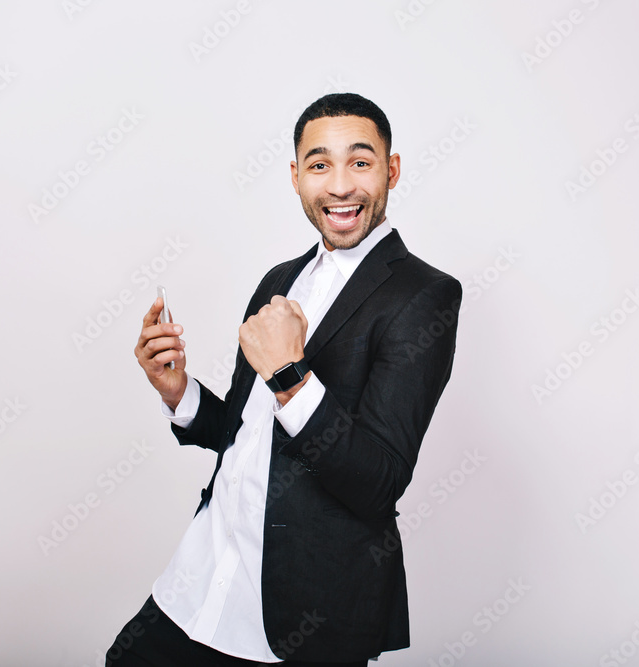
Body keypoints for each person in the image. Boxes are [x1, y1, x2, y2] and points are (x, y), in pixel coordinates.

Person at [108, 93, 462, 666]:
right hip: (200, 577)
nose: (340, 186)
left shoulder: (424, 296)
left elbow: (379, 481)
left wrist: (289, 375)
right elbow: (247, 435)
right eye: (320, 165)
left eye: (361, 162)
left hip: (303, 616)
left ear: (391, 171)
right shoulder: (281, 278)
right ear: (297, 178)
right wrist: (178, 390)